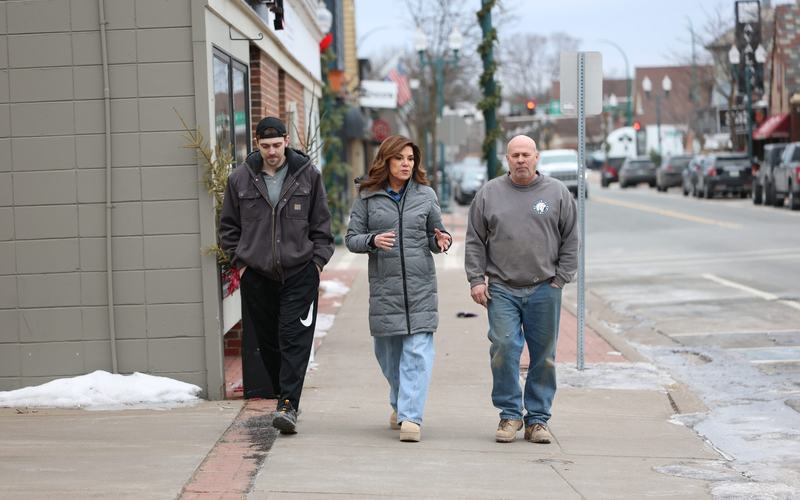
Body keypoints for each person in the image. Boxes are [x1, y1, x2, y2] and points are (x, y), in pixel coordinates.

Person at [219, 116, 334, 435]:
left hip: (299, 273)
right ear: (257, 144)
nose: (271, 151)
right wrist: (240, 265)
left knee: (293, 338)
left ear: (286, 141)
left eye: (277, 144)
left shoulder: (307, 176)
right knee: (268, 342)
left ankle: (288, 405)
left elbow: (322, 227)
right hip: (257, 274)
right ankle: (283, 395)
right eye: (265, 145)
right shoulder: (240, 179)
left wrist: (316, 265)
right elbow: (229, 228)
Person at [464, 135, 578, 444]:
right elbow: (475, 240)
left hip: (545, 287)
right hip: (502, 288)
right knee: (504, 348)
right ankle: (510, 414)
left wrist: (561, 278)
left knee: (544, 356)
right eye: (515, 155)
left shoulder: (556, 193)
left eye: (526, 154)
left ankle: (537, 420)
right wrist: (476, 278)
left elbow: (570, 238)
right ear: (507, 158)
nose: (520, 160)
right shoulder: (489, 194)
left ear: (537, 157)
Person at [345, 135, 452, 443]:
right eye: (400, 158)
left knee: (418, 353)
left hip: (420, 288)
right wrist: (372, 241)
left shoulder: (425, 194)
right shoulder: (367, 196)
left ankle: (410, 417)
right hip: (385, 290)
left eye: (410, 159)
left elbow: (436, 232)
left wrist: (441, 240)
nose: (407, 164)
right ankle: (400, 401)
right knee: (388, 357)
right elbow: (352, 238)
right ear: (386, 161)